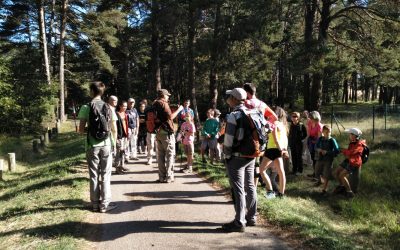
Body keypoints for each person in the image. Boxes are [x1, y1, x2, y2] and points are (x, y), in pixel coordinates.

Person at [77, 81, 118, 213]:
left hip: (91, 145)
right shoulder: (109, 107)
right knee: (105, 175)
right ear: (102, 92)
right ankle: (105, 205)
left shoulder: (85, 107)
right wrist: (114, 144)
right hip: (106, 144)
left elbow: (81, 130)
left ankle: (95, 204)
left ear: (91, 91)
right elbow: (114, 129)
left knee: (93, 175)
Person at [221, 87, 257, 232]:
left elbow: (228, 139)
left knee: (239, 189)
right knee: (250, 186)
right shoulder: (253, 111)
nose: (227, 99)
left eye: (229, 97)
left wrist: (226, 155)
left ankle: (239, 222)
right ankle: (251, 217)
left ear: (235, 99)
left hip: (237, 156)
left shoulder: (234, 115)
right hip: (251, 154)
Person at [153, 89, 183, 183]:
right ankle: (169, 176)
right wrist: (179, 110)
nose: (168, 97)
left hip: (158, 132)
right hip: (167, 133)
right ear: (163, 95)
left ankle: (162, 177)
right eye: (167, 95)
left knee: (160, 156)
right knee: (170, 155)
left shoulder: (154, 103)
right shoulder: (163, 103)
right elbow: (170, 117)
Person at [258, 106, 289, 199]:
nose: (269, 115)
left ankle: (271, 191)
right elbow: (285, 139)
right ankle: (280, 193)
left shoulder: (274, 124)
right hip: (277, 149)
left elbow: (275, 138)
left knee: (262, 170)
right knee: (281, 172)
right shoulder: (283, 125)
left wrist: (281, 150)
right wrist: (284, 149)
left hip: (273, 149)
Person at [333, 128, 366, 198]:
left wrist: (342, 150)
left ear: (354, 135)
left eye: (350, 134)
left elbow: (351, 152)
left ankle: (349, 192)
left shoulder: (359, 145)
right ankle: (342, 186)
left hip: (354, 162)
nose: (349, 136)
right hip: (349, 160)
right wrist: (343, 151)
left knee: (342, 175)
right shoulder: (352, 142)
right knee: (336, 173)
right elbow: (349, 153)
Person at [314, 125, 340, 194]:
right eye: (326, 132)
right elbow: (315, 147)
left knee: (326, 174)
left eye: (329, 132)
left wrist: (327, 152)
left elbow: (337, 151)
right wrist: (318, 149)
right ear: (322, 132)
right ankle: (320, 181)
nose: (328, 134)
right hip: (320, 158)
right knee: (317, 171)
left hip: (328, 160)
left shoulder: (332, 140)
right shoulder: (320, 139)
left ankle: (324, 189)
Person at [306, 111, 323, 179]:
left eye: (311, 117)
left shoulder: (319, 125)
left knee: (317, 159)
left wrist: (317, 146)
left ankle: (318, 175)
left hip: (317, 143)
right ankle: (315, 173)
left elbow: (319, 138)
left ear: (316, 117)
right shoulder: (310, 122)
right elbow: (308, 133)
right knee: (313, 158)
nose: (310, 119)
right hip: (311, 141)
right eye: (310, 117)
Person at [115, 101, 129, 174]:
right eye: (124, 106)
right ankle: (117, 168)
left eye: (126, 106)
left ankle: (122, 165)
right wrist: (116, 137)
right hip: (119, 136)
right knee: (118, 152)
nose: (125, 108)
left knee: (123, 151)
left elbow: (126, 125)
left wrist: (127, 136)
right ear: (120, 106)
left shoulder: (125, 114)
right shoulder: (116, 114)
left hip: (125, 136)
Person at [144, 99, 157, 165]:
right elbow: (146, 120)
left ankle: (158, 158)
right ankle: (149, 159)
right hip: (150, 130)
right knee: (150, 145)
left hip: (158, 130)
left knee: (158, 145)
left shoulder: (160, 110)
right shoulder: (148, 110)